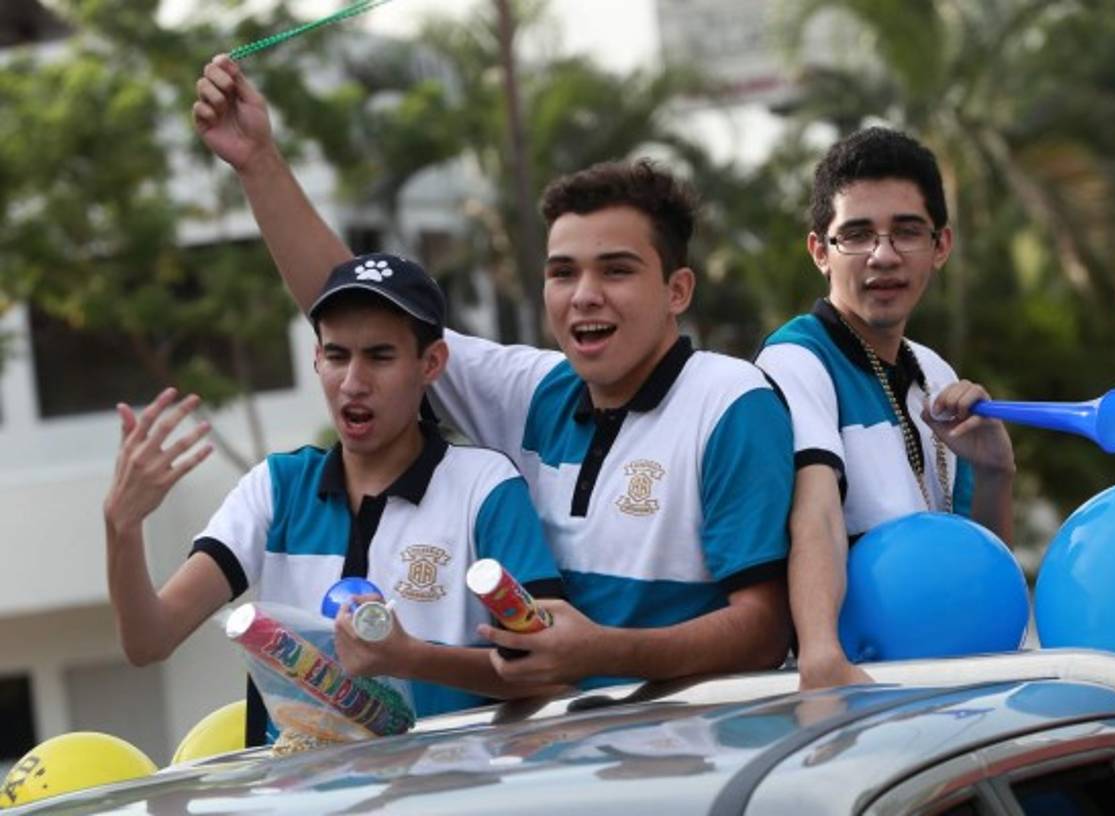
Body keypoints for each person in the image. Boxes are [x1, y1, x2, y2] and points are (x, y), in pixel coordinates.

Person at [192, 54, 794, 689]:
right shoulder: (536, 392)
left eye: (616, 270)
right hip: (558, 762)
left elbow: (762, 630)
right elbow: (356, 310)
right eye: (563, 273)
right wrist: (257, 162)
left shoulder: (729, 400)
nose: (583, 295)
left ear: (677, 291)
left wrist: (604, 652)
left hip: (699, 761)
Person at [103, 253, 563, 745]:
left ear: (431, 363)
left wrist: (410, 659)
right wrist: (122, 528)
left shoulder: (484, 486)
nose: (353, 383)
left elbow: (552, 670)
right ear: (317, 358)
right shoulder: (277, 488)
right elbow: (149, 640)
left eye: (380, 357)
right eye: (338, 356)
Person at [754, 127, 1016, 689]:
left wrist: (997, 471)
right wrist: (822, 656)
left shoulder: (935, 371)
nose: (884, 256)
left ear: (940, 246)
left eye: (906, 232)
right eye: (856, 235)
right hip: (858, 683)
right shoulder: (796, 359)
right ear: (819, 251)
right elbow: (817, 513)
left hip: (948, 679)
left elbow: (981, 562)